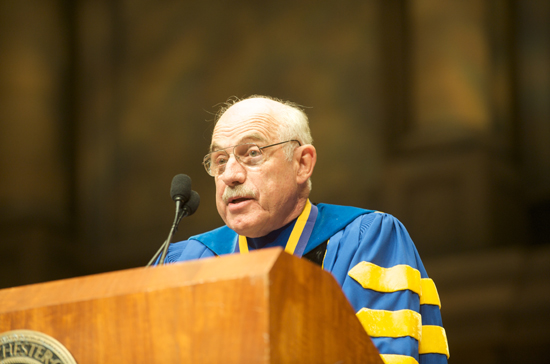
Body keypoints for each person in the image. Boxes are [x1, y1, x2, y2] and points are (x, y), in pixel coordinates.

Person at [162, 95, 449, 364]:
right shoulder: (185, 261)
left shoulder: (366, 239)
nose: (231, 175)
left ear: (302, 163)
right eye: (220, 161)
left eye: (251, 153)